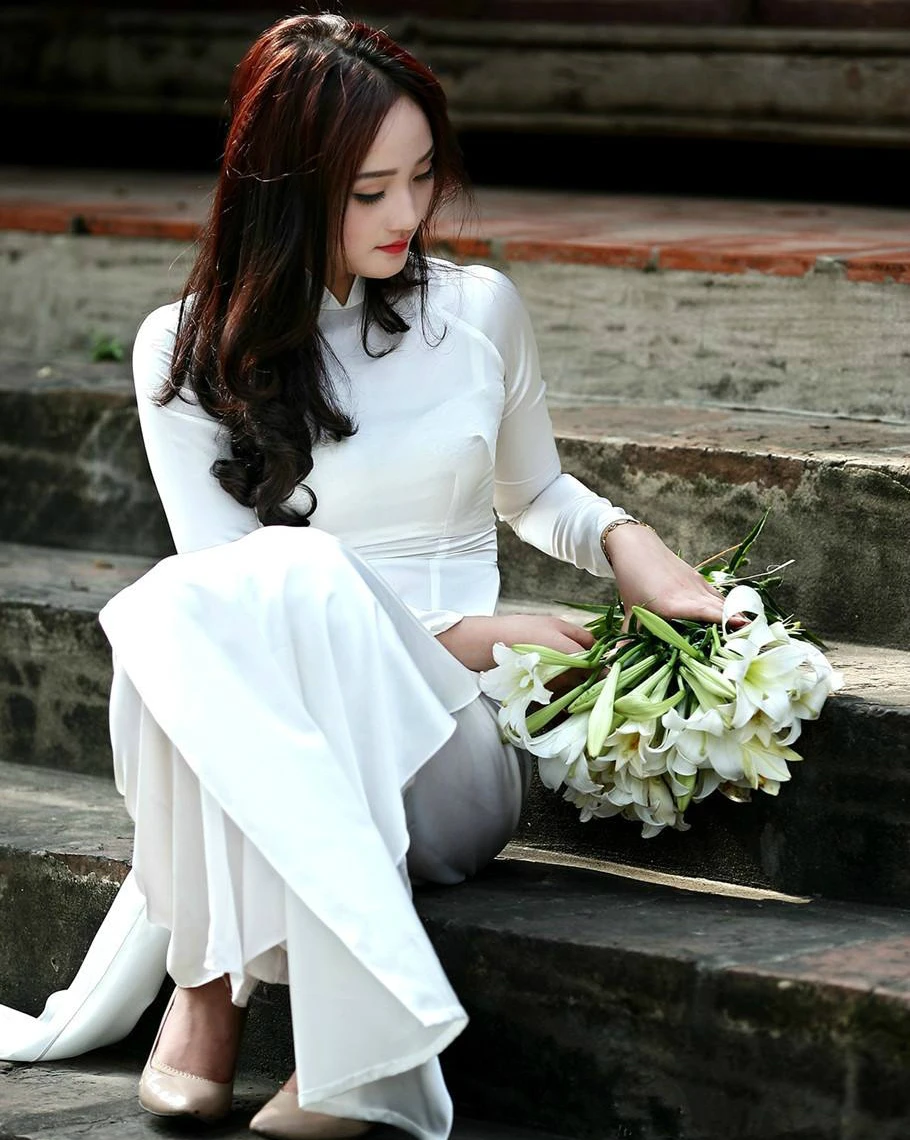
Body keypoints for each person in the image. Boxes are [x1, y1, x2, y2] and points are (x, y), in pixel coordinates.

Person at [1, 12, 736, 1140]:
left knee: (260, 589)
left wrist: (629, 547)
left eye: (422, 179)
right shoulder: (180, 351)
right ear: (285, 194)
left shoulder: (475, 311)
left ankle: (211, 996)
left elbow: (533, 493)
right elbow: (226, 615)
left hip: (445, 760)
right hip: (291, 707)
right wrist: (479, 634)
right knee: (200, 602)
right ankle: (248, 1008)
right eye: (367, 191)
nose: (407, 217)